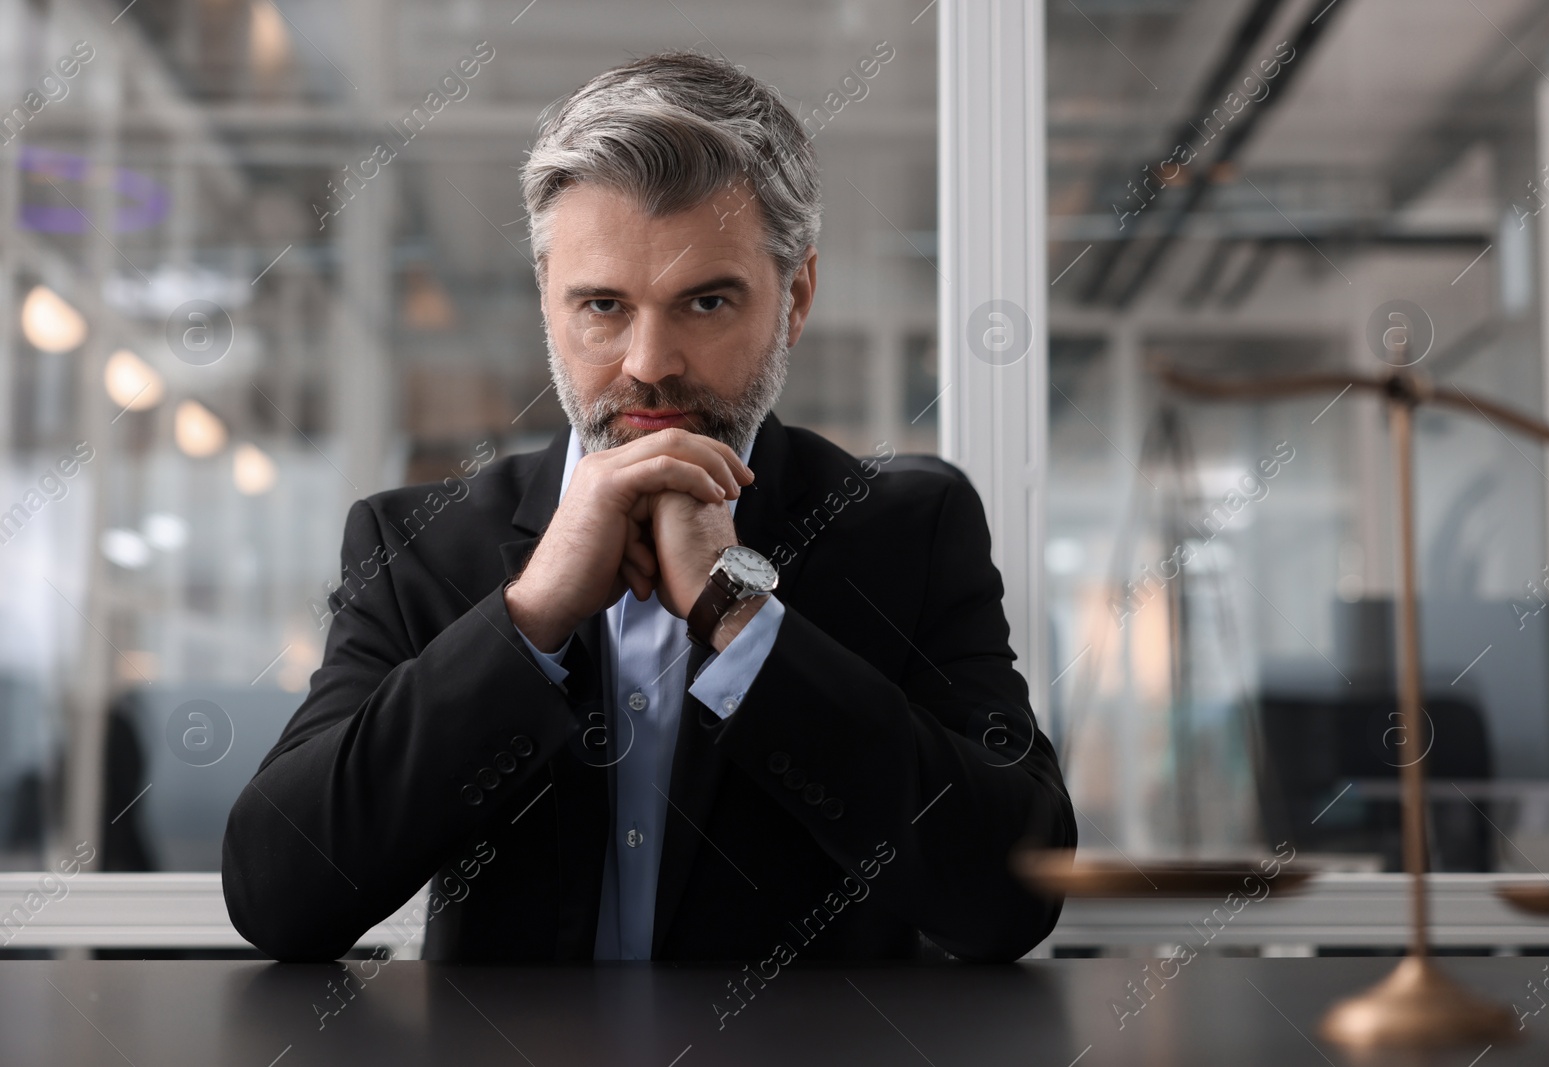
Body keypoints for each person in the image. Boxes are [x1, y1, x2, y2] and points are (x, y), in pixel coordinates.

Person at [221, 49, 1075, 964]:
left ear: (796, 299)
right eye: (602, 305)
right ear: (547, 302)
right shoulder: (418, 545)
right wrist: (530, 613)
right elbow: (280, 892)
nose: (648, 362)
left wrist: (741, 620)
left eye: (705, 301)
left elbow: (1011, 890)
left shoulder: (908, 528)